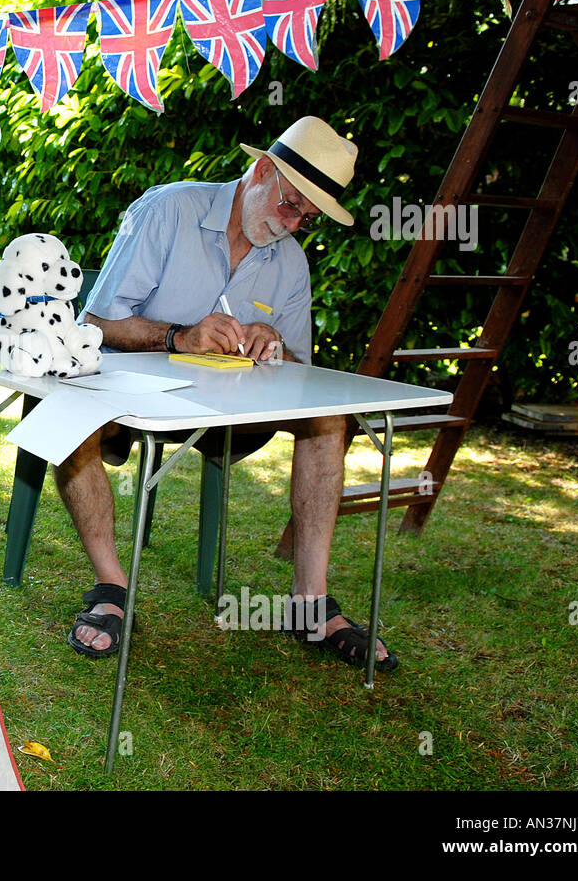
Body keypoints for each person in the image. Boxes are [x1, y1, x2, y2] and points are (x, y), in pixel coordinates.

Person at [57, 115, 397, 671]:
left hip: (229, 409)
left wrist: (273, 347)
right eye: (291, 206)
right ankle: (112, 587)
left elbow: (299, 374)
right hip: (131, 387)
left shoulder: (290, 262)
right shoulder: (170, 210)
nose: (292, 225)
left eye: (306, 219)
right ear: (262, 170)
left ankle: (310, 603)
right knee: (69, 418)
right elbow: (96, 321)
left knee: (329, 419)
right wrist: (178, 336)